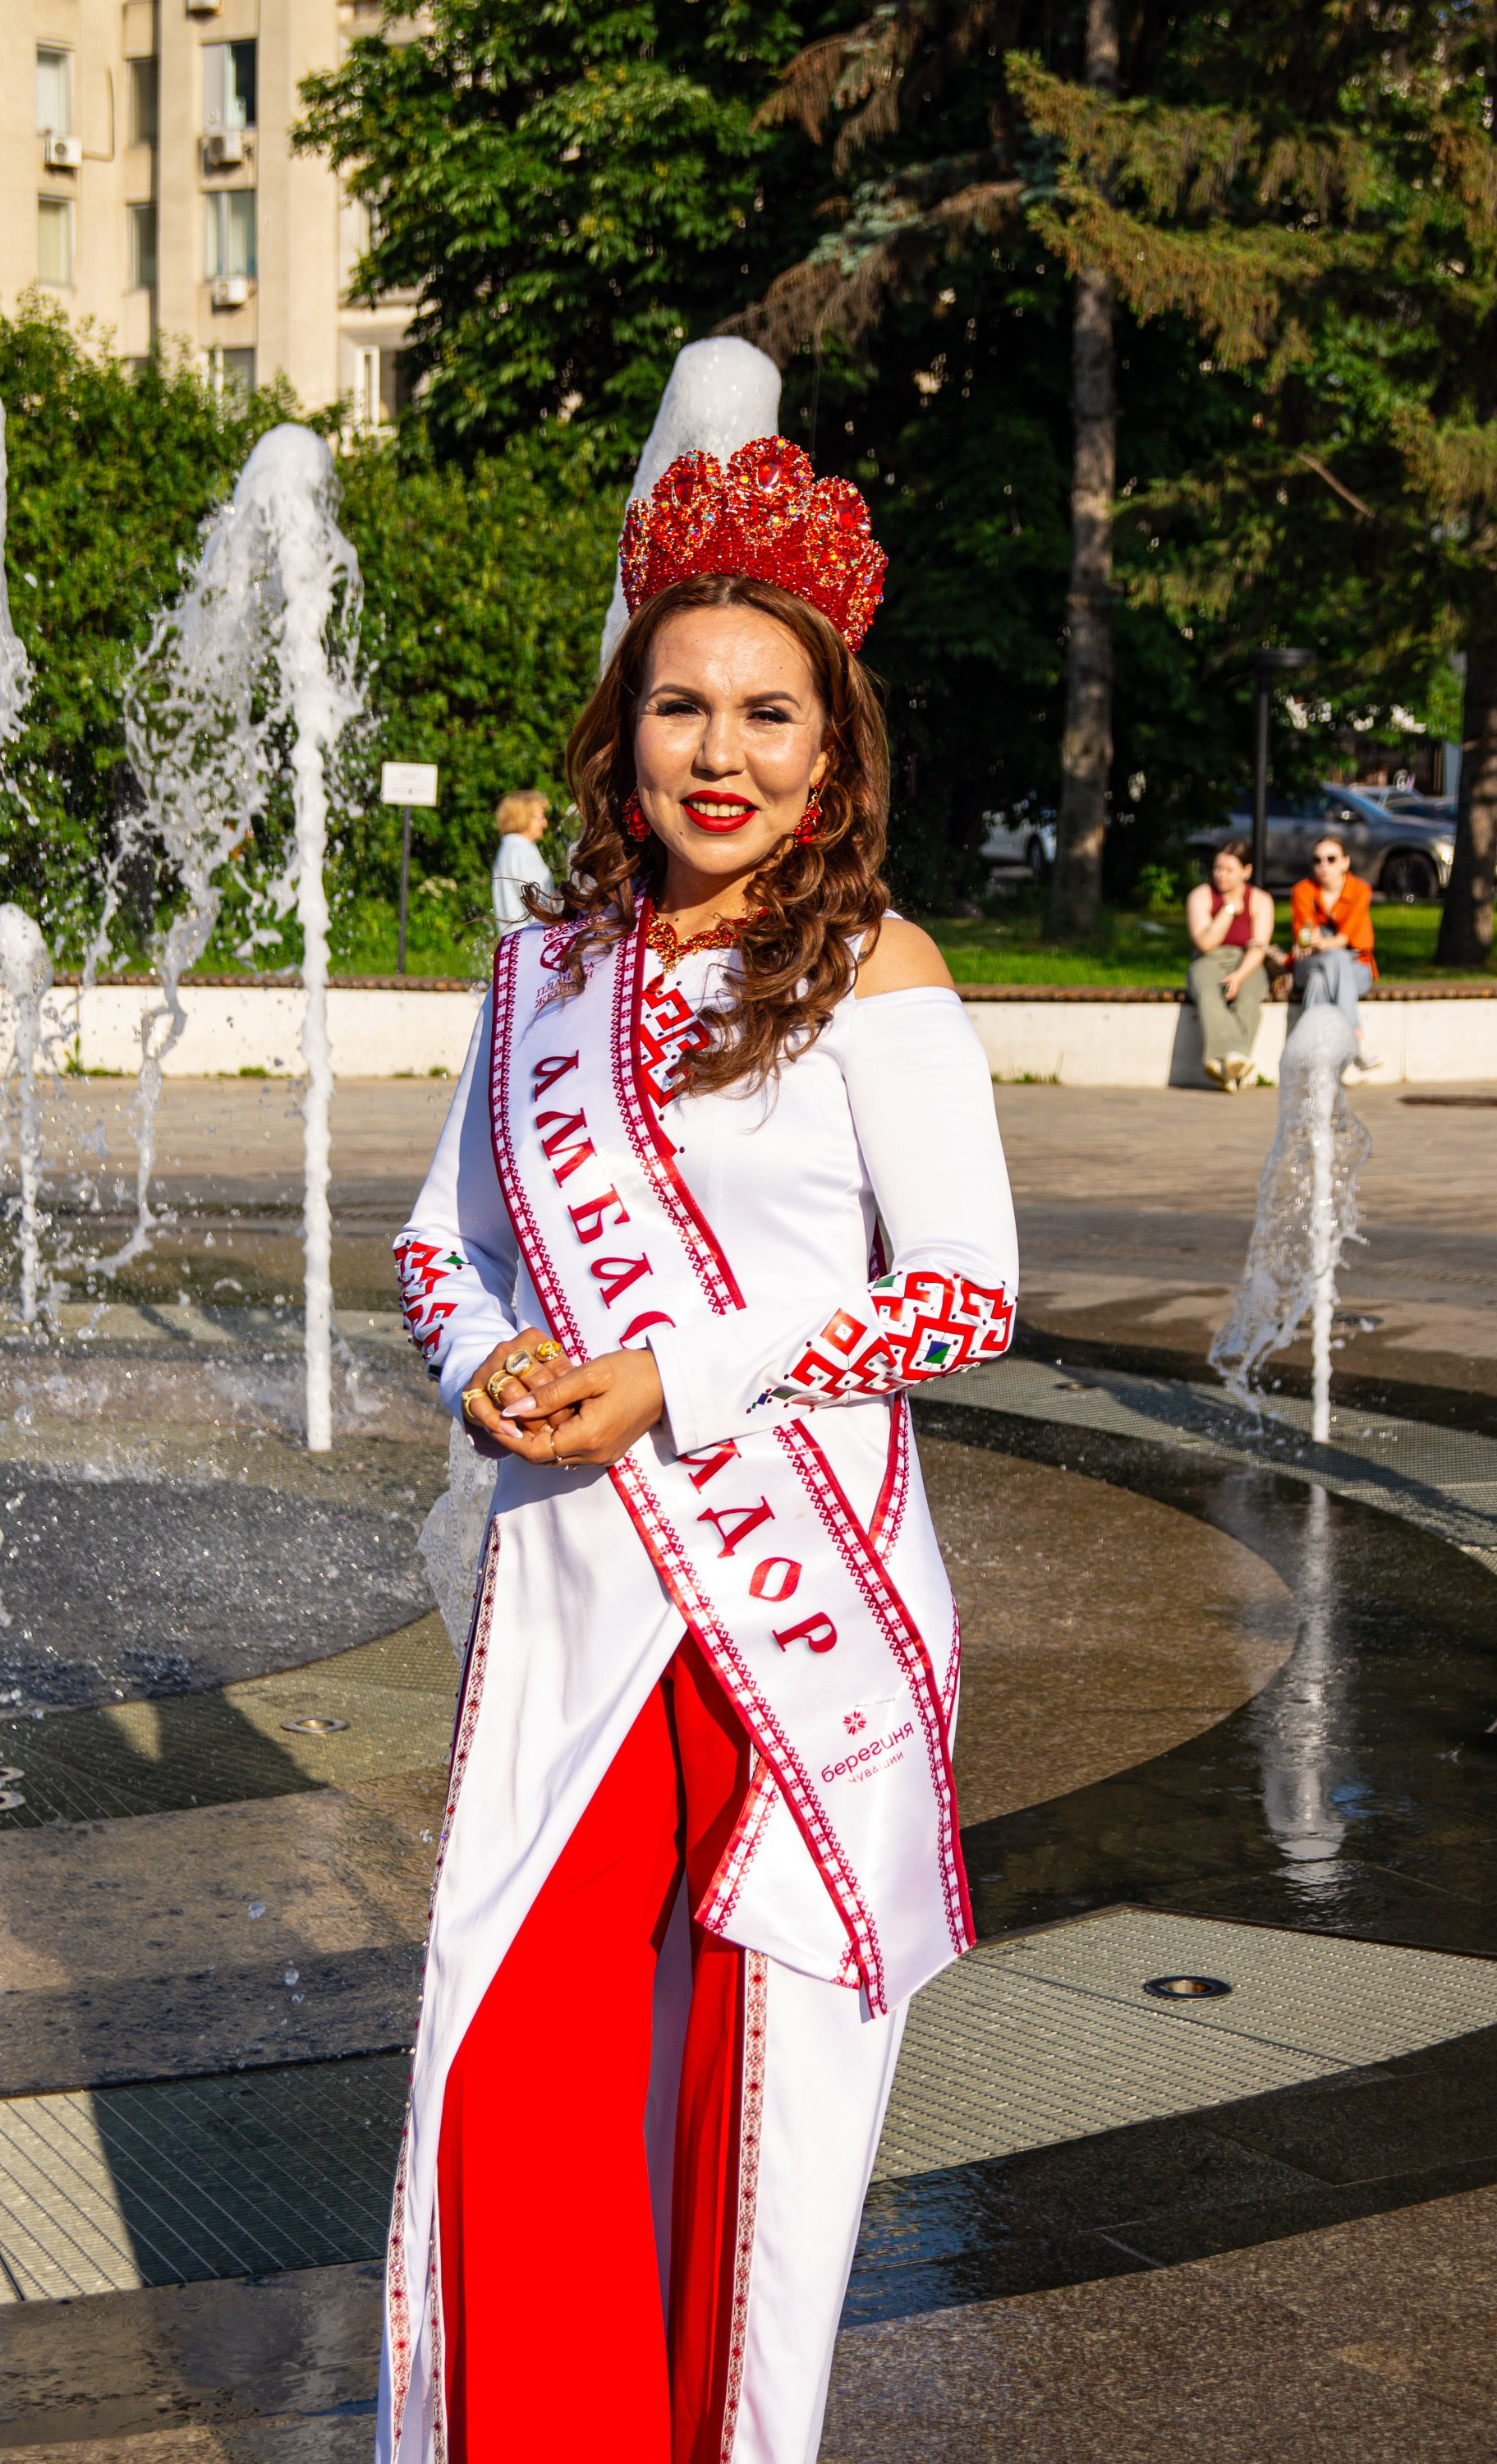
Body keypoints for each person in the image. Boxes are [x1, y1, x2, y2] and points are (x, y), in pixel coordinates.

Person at [387, 436, 1017, 2464]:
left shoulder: (872, 972)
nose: (719, 752)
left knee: (759, 2124)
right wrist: (481, 1357)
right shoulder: (541, 976)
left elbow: (963, 1299)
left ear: (830, 754)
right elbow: (437, 1245)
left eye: (767, 713)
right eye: (681, 707)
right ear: (624, 730)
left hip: (793, 1606)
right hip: (581, 1606)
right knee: (519, 2068)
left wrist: (672, 1374)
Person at [1185, 839, 1275, 1091]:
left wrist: (1238, 976)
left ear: (1247, 871)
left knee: (1250, 996)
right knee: (1208, 993)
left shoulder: (1261, 900)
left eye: (1229, 869)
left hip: (1246, 960)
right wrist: (1229, 910)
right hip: (1208, 960)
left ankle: (1223, 1065)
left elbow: (1259, 948)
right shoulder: (1200, 896)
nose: (1220, 875)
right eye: (1217, 868)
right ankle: (1235, 1058)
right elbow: (1205, 943)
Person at [1289, 832, 1380, 1068]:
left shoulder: (1360, 890)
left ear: (1345, 863)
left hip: (1356, 967)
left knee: (1320, 980)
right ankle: (1356, 1039)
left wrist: (1323, 942)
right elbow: (1305, 939)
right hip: (1309, 963)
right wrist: (1320, 943)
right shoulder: (1302, 891)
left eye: (1331, 859)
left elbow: (1343, 938)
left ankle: (1310, 1055)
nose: (1323, 866)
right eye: (1317, 860)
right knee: (1333, 960)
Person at [490, 788, 553, 931]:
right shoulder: (523, 850)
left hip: (514, 937)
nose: (545, 823)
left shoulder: (508, 848)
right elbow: (538, 904)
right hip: (533, 936)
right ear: (523, 817)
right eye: (540, 817)